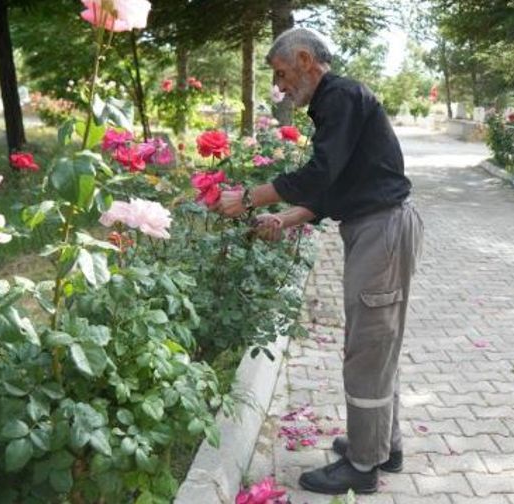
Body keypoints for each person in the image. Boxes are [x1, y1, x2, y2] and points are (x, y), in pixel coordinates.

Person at [212, 27, 423, 495]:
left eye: (281, 73)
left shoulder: (339, 97)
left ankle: (363, 466)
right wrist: (283, 219)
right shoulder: (336, 102)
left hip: (381, 230)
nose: (280, 85)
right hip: (377, 228)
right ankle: (384, 445)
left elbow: (319, 174)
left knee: (368, 348)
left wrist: (248, 197)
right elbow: (333, 187)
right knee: (375, 343)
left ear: (305, 60)